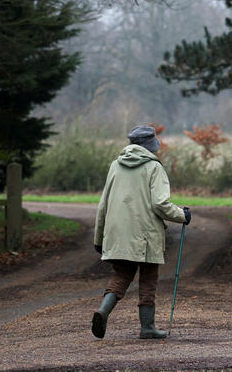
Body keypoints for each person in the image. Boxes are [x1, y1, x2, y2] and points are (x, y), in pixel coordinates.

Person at [91, 125, 191, 339]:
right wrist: (182, 215)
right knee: (148, 279)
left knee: (122, 274)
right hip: (146, 234)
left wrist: (99, 238)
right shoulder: (154, 167)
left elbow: (103, 205)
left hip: (117, 233)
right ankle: (147, 327)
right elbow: (160, 204)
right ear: (151, 146)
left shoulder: (115, 165)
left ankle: (103, 311)